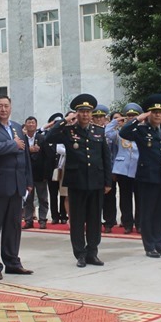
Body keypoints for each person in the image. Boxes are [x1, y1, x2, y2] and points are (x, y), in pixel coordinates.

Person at [43, 94, 112, 267]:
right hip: (77, 181)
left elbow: (106, 158)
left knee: (95, 219)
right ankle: (80, 254)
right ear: (76, 113)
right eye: (81, 111)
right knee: (78, 220)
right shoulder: (68, 131)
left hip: (96, 181)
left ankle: (92, 252)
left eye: (88, 112)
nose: (85, 115)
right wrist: (64, 121)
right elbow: (48, 138)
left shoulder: (99, 132)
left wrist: (107, 181)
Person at [0, 95, 34, 279]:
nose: (3, 109)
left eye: (6, 106)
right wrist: (12, 144)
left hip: (17, 185)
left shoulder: (17, 127)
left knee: (13, 226)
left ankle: (12, 262)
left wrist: (28, 181)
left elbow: (25, 155)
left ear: (11, 107)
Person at [119, 94, 161, 257]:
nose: (158, 115)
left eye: (160, 112)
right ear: (149, 114)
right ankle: (149, 246)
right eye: (154, 112)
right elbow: (123, 132)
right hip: (147, 177)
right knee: (148, 212)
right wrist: (138, 118)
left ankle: (159, 243)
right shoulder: (140, 130)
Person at [106, 104, 141, 234]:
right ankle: (127, 223)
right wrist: (116, 121)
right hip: (123, 169)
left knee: (140, 198)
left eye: (134, 116)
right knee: (125, 198)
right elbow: (107, 133)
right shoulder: (120, 133)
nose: (131, 118)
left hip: (138, 168)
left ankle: (140, 223)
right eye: (129, 116)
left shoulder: (142, 131)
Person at [22, 116, 49, 229]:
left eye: (33, 123)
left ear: (36, 125)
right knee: (28, 198)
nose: (31, 125)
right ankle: (28, 220)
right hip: (27, 173)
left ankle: (42, 219)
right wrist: (29, 150)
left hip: (40, 172)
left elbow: (48, 155)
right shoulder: (21, 139)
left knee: (42, 198)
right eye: (29, 123)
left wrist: (46, 173)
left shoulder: (42, 138)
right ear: (25, 125)